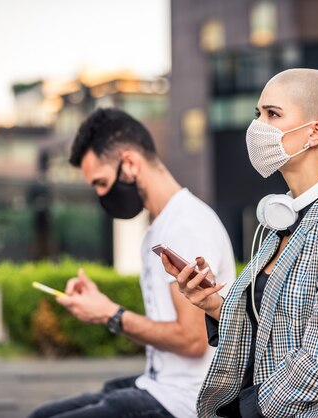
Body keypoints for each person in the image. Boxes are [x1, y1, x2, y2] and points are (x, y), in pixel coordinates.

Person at [162, 68, 318, 417]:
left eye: (272, 114)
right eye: (257, 114)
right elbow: (274, 331)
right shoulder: (283, 221)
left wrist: (246, 409)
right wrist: (215, 305)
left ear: (315, 132)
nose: (257, 127)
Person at [28, 108, 236, 418]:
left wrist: (110, 314)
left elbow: (194, 340)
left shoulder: (185, 225)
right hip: (157, 386)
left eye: (101, 182)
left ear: (129, 163)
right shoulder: (160, 225)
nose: (101, 195)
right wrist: (102, 306)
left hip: (184, 402)